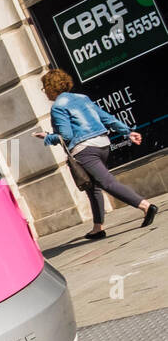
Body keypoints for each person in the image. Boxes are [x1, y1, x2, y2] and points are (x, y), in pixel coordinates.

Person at [35, 69, 156, 239]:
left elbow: (66, 136)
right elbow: (106, 118)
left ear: (50, 87)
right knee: (92, 187)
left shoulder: (57, 107)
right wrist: (127, 132)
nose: (44, 91)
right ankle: (98, 228)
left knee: (107, 182)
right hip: (102, 145)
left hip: (85, 150)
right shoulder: (82, 98)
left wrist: (48, 137)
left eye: (44, 87)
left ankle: (145, 205)